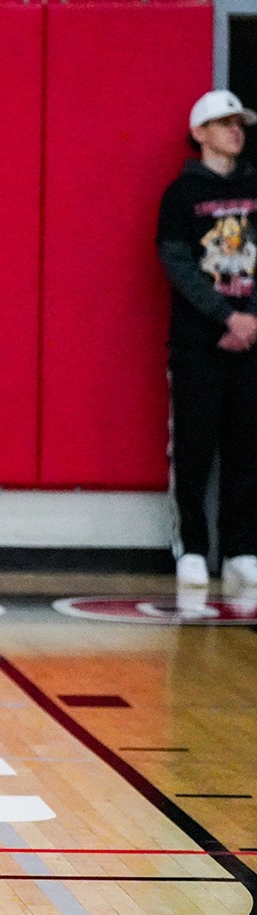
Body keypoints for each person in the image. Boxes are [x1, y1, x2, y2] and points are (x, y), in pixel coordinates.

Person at [156, 89, 257, 602]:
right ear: (200, 133)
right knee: (194, 450)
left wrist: (250, 319)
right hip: (199, 345)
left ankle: (241, 550)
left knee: (247, 448)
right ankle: (192, 549)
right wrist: (226, 316)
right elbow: (178, 266)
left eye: (239, 124)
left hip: (252, 342)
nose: (235, 131)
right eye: (224, 123)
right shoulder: (180, 196)